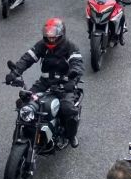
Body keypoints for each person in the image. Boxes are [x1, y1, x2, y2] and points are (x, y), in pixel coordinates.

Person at [6, 18, 83, 146]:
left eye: (54, 37)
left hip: (64, 84)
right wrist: (15, 73)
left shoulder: (70, 47)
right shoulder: (42, 45)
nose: (51, 39)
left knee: (68, 109)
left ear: (61, 35)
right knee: (23, 102)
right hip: (45, 82)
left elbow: (77, 64)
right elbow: (28, 58)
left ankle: (71, 135)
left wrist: (72, 76)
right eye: (49, 37)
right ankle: (23, 132)